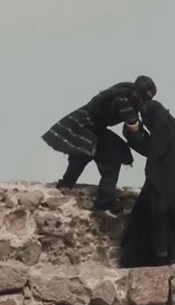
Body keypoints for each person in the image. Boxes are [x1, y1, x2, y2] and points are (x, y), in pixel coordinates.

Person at [41, 76, 157, 211]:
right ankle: (66, 184)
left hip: (98, 128)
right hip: (84, 124)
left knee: (115, 155)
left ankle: (104, 202)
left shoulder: (133, 102)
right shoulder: (121, 94)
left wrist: (154, 148)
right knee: (83, 152)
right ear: (136, 92)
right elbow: (132, 124)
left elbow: (134, 128)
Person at [119, 100, 175, 267]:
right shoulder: (171, 128)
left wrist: (134, 133)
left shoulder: (163, 131)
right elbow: (155, 146)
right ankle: (168, 257)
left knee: (156, 221)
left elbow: (151, 150)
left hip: (162, 186)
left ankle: (161, 258)